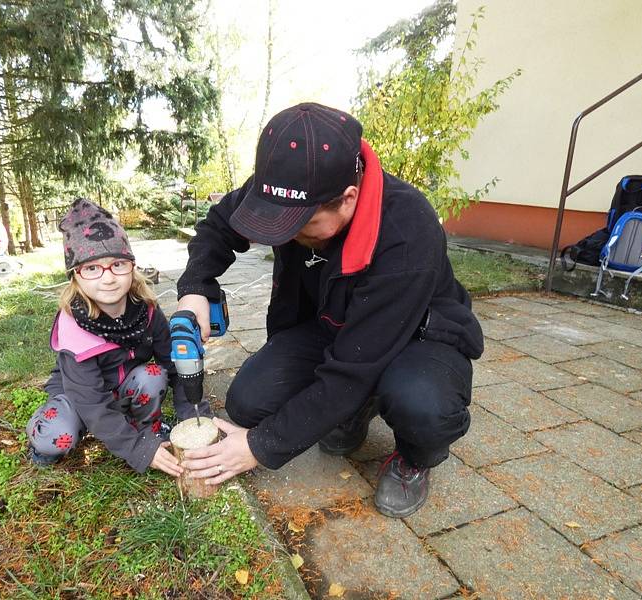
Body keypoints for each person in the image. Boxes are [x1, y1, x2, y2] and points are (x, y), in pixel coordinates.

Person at [175, 103, 484, 518]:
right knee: (249, 402)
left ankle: (415, 455)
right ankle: (356, 407)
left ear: (348, 200)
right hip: (335, 325)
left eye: (299, 227)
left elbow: (353, 369)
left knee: (421, 406)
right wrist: (195, 288)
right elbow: (219, 225)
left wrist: (257, 448)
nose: (283, 235)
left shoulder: (408, 230)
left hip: (419, 338)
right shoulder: (285, 186)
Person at [26, 198, 210, 474]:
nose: (108, 278)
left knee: (153, 374)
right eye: (91, 268)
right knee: (58, 438)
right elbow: (92, 404)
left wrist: (195, 416)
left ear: (132, 267)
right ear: (75, 276)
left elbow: (175, 364)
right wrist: (138, 450)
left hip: (125, 389)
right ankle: (48, 436)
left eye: (118, 264)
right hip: (81, 399)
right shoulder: (74, 330)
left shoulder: (145, 310)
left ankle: (146, 429)